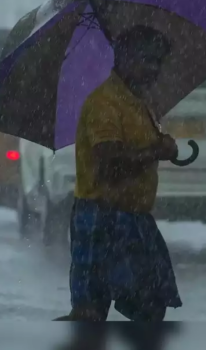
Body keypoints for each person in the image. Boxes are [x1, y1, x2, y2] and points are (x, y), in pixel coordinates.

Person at [58, 25, 182, 322]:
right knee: (91, 313)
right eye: (147, 60)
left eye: (158, 63)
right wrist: (156, 151)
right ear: (124, 58)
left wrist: (160, 145)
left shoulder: (137, 102)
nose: (154, 69)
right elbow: (109, 164)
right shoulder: (105, 103)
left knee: (150, 306)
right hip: (102, 216)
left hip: (134, 217)